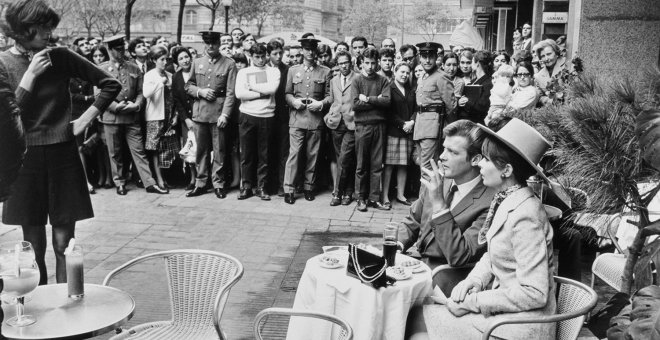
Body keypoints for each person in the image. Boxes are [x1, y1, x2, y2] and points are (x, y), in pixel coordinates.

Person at [0, 0, 121, 284]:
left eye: (49, 27)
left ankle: (68, 309)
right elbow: (7, 118)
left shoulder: (61, 56)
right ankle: (40, 307)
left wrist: (84, 120)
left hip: (63, 155)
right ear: (23, 29)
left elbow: (110, 83)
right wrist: (29, 77)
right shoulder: (3, 63)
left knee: (64, 242)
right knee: (33, 245)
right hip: (23, 160)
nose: (49, 34)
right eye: (42, 27)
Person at [411, 117, 556, 340]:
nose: (479, 164)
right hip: (501, 316)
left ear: (506, 170)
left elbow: (534, 294)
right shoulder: (508, 199)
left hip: (520, 326)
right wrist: (474, 281)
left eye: (486, 159)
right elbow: (494, 253)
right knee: (415, 317)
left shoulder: (527, 215)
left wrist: (474, 302)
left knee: (418, 327)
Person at [398, 119, 494, 269]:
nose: (442, 156)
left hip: (449, 277)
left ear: (475, 160)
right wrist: (396, 245)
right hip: (419, 266)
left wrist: (439, 205)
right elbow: (413, 222)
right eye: (444, 149)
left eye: (453, 152)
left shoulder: (490, 202)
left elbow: (461, 255)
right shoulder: (440, 180)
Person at [98, 35, 168, 196]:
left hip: (131, 116)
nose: (121, 51)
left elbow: (140, 92)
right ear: (109, 50)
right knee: (115, 152)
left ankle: (149, 183)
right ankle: (120, 182)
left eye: (122, 48)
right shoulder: (101, 69)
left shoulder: (133, 68)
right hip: (112, 117)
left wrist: (137, 105)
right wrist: (115, 107)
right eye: (117, 49)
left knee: (139, 150)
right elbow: (99, 95)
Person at [185, 30, 237, 199]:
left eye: (214, 43)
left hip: (218, 113)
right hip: (200, 113)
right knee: (201, 151)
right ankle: (200, 183)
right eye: (207, 43)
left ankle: (218, 183)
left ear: (219, 43)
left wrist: (225, 115)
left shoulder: (229, 63)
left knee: (219, 150)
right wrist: (200, 91)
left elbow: (231, 93)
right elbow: (188, 86)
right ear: (204, 44)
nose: (211, 46)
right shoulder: (197, 61)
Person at [282, 37, 332, 204]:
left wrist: (321, 104)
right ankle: (288, 189)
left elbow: (330, 96)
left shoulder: (324, 71)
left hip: (315, 120)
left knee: (313, 155)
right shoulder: (293, 70)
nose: (310, 52)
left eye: (313, 49)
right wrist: (293, 102)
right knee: (294, 154)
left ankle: (309, 187)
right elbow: (287, 93)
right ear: (302, 50)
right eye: (307, 49)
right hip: (297, 119)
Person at [234, 43, 280, 200]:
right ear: (251, 56)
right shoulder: (243, 72)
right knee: (246, 153)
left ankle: (262, 187)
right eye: (256, 57)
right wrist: (261, 93)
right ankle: (246, 186)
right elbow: (240, 93)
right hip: (247, 115)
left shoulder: (273, 71)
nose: (260, 60)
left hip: (267, 116)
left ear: (267, 55)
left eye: (263, 56)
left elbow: (272, 90)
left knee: (264, 154)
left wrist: (251, 88)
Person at [352, 47, 391, 212]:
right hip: (363, 126)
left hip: (379, 126)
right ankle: (361, 198)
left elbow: (387, 102)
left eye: (373, 63)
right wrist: (377, 101)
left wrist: (367, 99)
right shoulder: (357, 80)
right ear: (362, 63)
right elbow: (355, 104)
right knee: (361, 164)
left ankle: (374, 198)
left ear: (377, 63)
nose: (370, 66)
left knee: (377, 164)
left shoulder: (383, 81)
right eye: (367, 63)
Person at [413, 41, 455, 180]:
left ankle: (426, 202)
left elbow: (451, 106)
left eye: (431, 56)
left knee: (428, 169)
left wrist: (444, 127)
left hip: (433, 129)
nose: (427, 60)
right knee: (423, 167)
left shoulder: (441, 76)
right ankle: (425, 201)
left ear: (436, 57)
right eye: (424, 56)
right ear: (420, 58)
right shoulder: (422, 77)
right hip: (420, 127)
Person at [143, 45, 179, 192]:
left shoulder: (170, 75)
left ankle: (165, 177)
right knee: (155, 148)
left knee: (166, 147)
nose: (165, 62)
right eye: (162, 59)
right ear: (154, 60)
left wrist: (175, 114)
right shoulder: (150, 75)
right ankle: (159, 179)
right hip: (155, 116)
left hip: (168, 115)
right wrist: (160, 83)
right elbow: (146, 94)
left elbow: (175, 97)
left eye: (166, 59)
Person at [325, 50, 357, 206]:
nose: (344, 66)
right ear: (337, 65)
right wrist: (328, 116)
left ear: (351, 63)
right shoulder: (334, 80)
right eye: (340, 63)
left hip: (351, 123)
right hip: (336, 123)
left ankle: (338, 193)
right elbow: (332, 100)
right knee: (342, 160)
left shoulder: (358, 78)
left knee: (344, 158)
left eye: (346, 62)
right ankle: (348, 192)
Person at [382, 62, 415, 207]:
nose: (405, 75)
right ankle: (385, 196)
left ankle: (401, 195)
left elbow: (416, 108)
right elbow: (388, 112)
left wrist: (412, 122)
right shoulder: (389, 87)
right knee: (389, 165)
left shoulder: (411, 89)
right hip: (394, 131)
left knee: (403, 165)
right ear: (395, 72)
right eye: (402, 72)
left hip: (408, 131)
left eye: (407, 73)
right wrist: (402, 124)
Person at [267, 40, 290, 196]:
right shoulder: (264, 69)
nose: (278, 56)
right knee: (268, 151)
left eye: (280, 53)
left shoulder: (287, 70)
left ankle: (282, 184)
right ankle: (268, 185)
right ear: (269, 54)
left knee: (283, 151)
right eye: (275, 54)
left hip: (282, 115)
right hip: (266, 115)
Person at [171, 46, 196, 190]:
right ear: (177, 63)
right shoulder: (176, 77)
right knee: (190, 148)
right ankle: (192, 179)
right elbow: (177, 100)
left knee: (204, 148)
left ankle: (203, 178)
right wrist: (185, 118)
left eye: (186, 57)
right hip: (186, 119)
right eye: (181, 59)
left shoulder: (198, 72)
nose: (185, 60)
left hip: (201, 116)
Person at [456, 50, 493, 124]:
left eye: (471, 61)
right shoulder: (473, 82)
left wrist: (467, 101)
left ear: (477, 64)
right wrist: (459, 102)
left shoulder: (488, 83)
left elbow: (482, 107)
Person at [533, 39, 571, 106]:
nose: (546, 58)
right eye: (543, 56)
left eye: (549, 54)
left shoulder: (568, 66)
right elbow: (539, 97)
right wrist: (551, 101)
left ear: (556, 53)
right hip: (551, 110)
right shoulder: (538, 76)